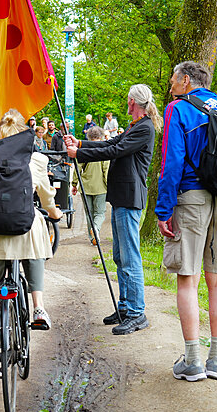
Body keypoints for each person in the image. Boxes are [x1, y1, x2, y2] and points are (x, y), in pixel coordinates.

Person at [156, 61, 217, 382]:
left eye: (173, 80)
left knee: (187, 278)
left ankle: (193, 360)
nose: (170, 86)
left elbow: (171, 164)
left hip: (191, 199)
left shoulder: (179, 109)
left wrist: (163, 210)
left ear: (186, 80)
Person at [0, 109, 61, 380]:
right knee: (37, 235)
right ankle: (38, 304)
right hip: (23, 231)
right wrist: (53, 213)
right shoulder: (36, 159)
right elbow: (46, 195)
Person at [66, 84, 160, 336]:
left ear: (132, 102)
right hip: (121, 197)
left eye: (128, 100)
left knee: (130, 257)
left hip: (130, 199)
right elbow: (113, 142)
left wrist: (80, 153)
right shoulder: (133, 127)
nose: (126, 103)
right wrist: (81, 144)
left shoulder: (145, 128)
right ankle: (125, 306)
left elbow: (116, 150)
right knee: (120, 255)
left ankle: (137, 312)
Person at [72, 126, 110, 246]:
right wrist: (108, 185)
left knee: (89, 213)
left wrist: (74, 184)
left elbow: (78, 168)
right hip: (100, 187)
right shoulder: (104, 149)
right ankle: (96, 229)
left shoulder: (85, 148)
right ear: (101, 136)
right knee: (99, 213)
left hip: (85, 186)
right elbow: (106, 170)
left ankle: (92, 237)